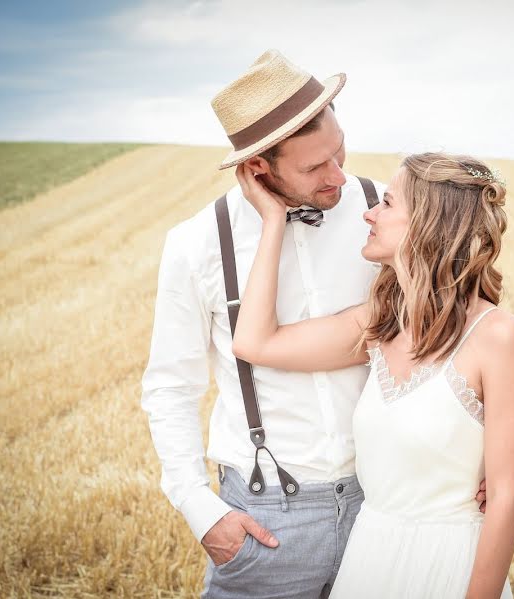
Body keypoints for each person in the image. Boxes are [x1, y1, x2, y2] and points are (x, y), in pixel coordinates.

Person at [141, 50, 489, 598]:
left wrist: (472, 460)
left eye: (339, 150)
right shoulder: (197, 245)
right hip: (267, 521)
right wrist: (200, 509)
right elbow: (169, 387)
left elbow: (459, 332)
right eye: (313, 168)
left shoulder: (386, 212)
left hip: (384, 505)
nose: (339, 176)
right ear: (259, 168)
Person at [232, 152, 514, 598]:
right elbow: (255, 343)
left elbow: (508, 499)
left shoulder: (498, 336)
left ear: (429, 224)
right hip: (369, 560)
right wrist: (273, 220)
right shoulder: (381, 324)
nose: (370, 213)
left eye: (388, 204)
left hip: (449, 565)